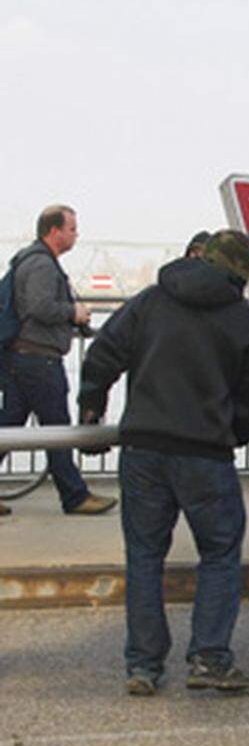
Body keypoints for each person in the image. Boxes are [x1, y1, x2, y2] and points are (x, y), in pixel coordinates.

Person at [78, 230, 249, 697]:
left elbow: (105, 351)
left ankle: (143, 666)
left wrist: (91, 406)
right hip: (205, 454)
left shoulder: (151, 301)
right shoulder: (243, 321)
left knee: (145, 556)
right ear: (242, 274)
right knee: (220, 552)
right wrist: (235, 434)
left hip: (143, 449)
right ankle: (209, 658)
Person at [0, 205, 117, 517]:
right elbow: (38, 306)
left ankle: (74, 493)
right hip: (39, 360)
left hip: (23, 358)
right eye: (72, 229)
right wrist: (73, 313)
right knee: (58, 429)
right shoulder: (41, 265)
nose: (76, 235)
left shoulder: (33, 260)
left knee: (9, 427)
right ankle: (75, 496)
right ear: (54, 231)